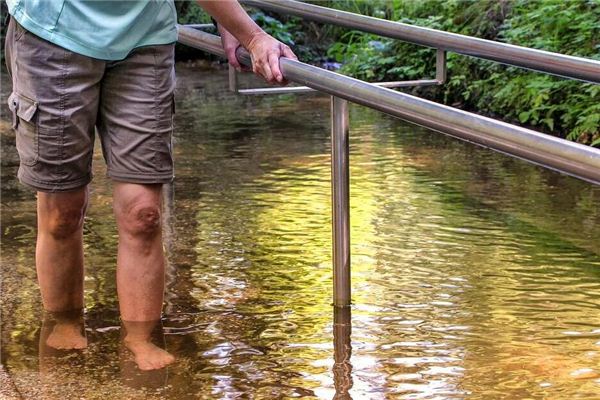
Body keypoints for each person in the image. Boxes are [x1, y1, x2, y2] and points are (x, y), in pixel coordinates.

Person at [5, 0, 297, 371]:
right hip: (54, 34)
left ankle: (141, 337)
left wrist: (235, 26)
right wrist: (250, 35)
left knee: (143, 214)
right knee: (62, 211)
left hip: (145, 40)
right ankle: (64, 323)